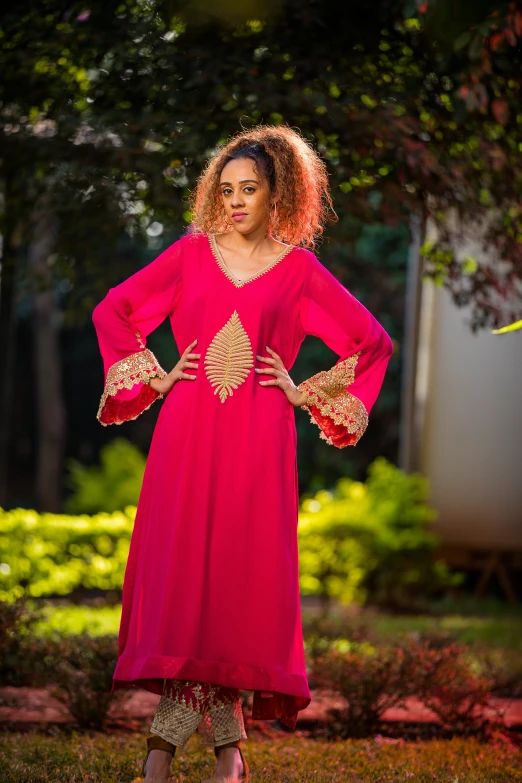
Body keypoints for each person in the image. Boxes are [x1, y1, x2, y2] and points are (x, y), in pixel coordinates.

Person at [92, 124, 393, 783]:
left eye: (248, 189)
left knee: (236, 583)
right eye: (225, 189)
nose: (234, 201)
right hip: (187, 434)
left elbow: (370, 343)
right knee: (182, 586)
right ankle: (219, 753)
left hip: (260, 437)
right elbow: (114, 311)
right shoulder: (188, 256)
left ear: (275, 193)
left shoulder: (300, 271)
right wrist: (156, 373)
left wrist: (305, 389)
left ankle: (167, 753)